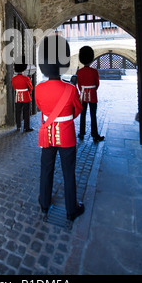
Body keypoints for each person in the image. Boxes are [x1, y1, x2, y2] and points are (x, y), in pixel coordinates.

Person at [35, 35, 84, 227]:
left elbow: (41, 108)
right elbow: (77, 110)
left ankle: (44, 203)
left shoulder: (39, 89)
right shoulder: (70, 89)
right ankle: (72, 209)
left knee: (46, 169)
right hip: (66, 135)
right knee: (68, 171)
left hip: (47, 135)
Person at [76, 46, 104, 143]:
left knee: (82, 115)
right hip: (92, 94)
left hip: (83, 94)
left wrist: (83, 90)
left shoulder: (79, 72)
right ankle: (95, 134)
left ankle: (82, 133)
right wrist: (92, 90)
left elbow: (79, 85)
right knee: (93, 115)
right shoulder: (94, 71)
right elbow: (97, 84)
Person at [12, 56, 34, 132]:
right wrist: (28, 93)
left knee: (18, 112)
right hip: (26, 97)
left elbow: (15, 88)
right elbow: (31, 87)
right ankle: (26, 127)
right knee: (26, 113)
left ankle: (18, 126)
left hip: (18, 97)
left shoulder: (13, 79)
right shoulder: (26, 78)